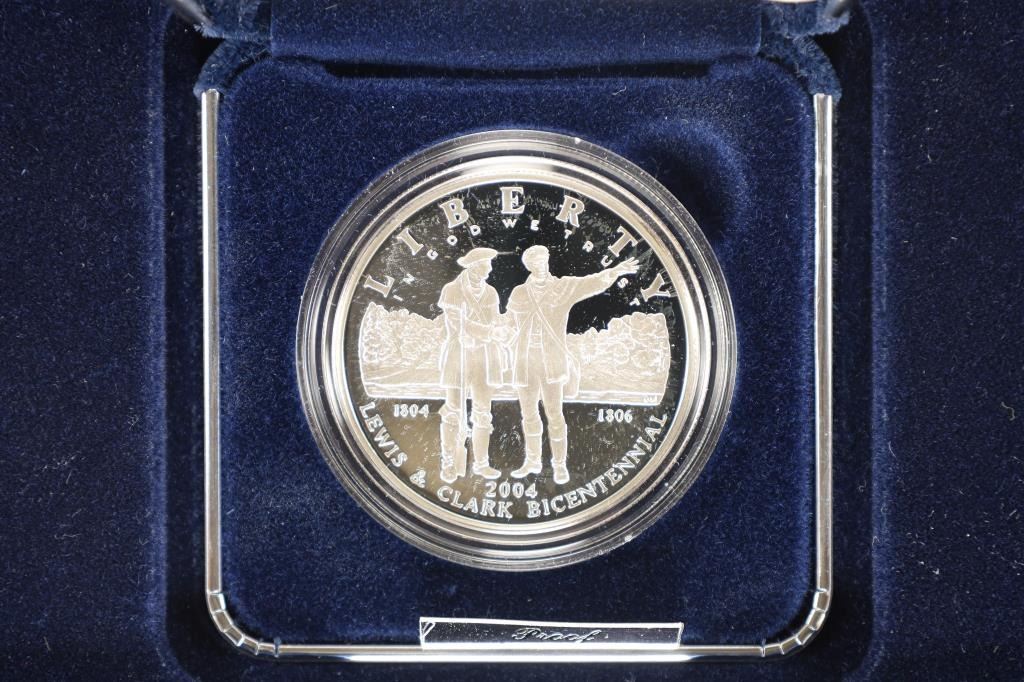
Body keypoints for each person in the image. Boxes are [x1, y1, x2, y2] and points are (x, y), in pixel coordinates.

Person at [506, 246, 639, 484]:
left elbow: (591, 283)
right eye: (535, 262)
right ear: (529, 266)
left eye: (543, 260)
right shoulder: (519, 293)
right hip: (524, 362)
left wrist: (615, 271)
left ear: (547, 261)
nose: (541, 265)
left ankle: (559, 465)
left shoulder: (563, 287)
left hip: (551, 362)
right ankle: (532, 461)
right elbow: (510, 324)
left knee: (555, 414)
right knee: (528, 414)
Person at [436, 247, 506, 482]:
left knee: (483, 413)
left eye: (489, 266)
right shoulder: (452, 290)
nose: (488, 271)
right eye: (484, 266)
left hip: (485, 358)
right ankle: (448, 462)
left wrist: (499, 331)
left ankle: (482, 464)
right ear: (473, 267)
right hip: (458, 356)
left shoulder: (491, 293)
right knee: (453, 412)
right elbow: (457, 325)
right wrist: (489, 332)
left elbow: (495, 321)